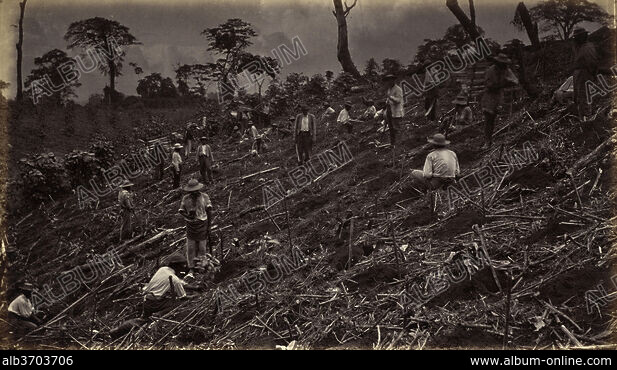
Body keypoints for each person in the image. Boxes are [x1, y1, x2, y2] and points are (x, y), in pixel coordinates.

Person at [480, 53, 519, 149]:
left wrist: (509, 82)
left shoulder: (506, 70)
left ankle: (503, 141)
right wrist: (503, 84)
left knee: (496, 118)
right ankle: (487, 142)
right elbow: (489, 85)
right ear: (498, 63)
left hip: (499, 97)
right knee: (489, 119)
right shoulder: (491, 70)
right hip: (489, 96)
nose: (504, 66)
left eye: (505, 64)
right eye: (502, 64)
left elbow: (515, 81)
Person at [178, 179, 212, 278]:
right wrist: (188, 216)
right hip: (190, 225)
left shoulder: (204, 197)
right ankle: (192, 268)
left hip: (202, 224)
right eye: (191, 191)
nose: (193, 193)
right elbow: (181, 211)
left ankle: (202, 267)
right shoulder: (186, 198)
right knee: (191, 248)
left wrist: (209, 226)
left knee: (202, 247)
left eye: (195, 191)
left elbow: (209, 211)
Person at [142, 254, 187, 318]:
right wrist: (193, 297)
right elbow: (183, 297)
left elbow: (180, 282)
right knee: (178, 303)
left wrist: (193, 287)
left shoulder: (163, 269)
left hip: (146, 301)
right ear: (176, 266)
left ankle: (146, 316)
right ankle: (159, 314)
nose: (184, 267)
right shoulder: (175, 280)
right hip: (154, 303)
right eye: (182, 265)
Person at [571, 28, 599, 120]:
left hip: (584, 74)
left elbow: (592, 63)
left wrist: (593, 74)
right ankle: (584, 119)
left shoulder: (587, 47)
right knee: (579, 98)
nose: (575, 39)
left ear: (582, 37)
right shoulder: (581, 47)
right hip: (579, 74)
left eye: (577, 37)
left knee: (584, 98)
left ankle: (586, 121)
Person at [384, 74, 404, 145]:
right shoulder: (389, 89)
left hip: (396, 111)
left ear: (393, 80)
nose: (389, 82)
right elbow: (388, 98)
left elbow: (398, 100)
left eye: (390, 80)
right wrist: (387, 101)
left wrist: (390, 97)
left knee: (397, 128)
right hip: (390, 110)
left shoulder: (398, 89)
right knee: (391, 128)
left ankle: (400, 143)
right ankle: (393, 143)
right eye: (387, 80)